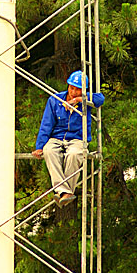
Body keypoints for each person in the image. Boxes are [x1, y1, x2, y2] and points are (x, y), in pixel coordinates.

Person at [32, 70, 104, 206]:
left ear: (84, 90)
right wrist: (39, 146)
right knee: (49, 151)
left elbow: (100, 99)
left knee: (75, 154)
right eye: (72, 88)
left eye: (78, 89)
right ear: (67, 85)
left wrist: (79, 99)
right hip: (56, 137)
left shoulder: (85, 101)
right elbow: (46, 124)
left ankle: (63, 192)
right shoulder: (55, 100)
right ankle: (65, 192)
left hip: (76, 139)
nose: (73, 92)